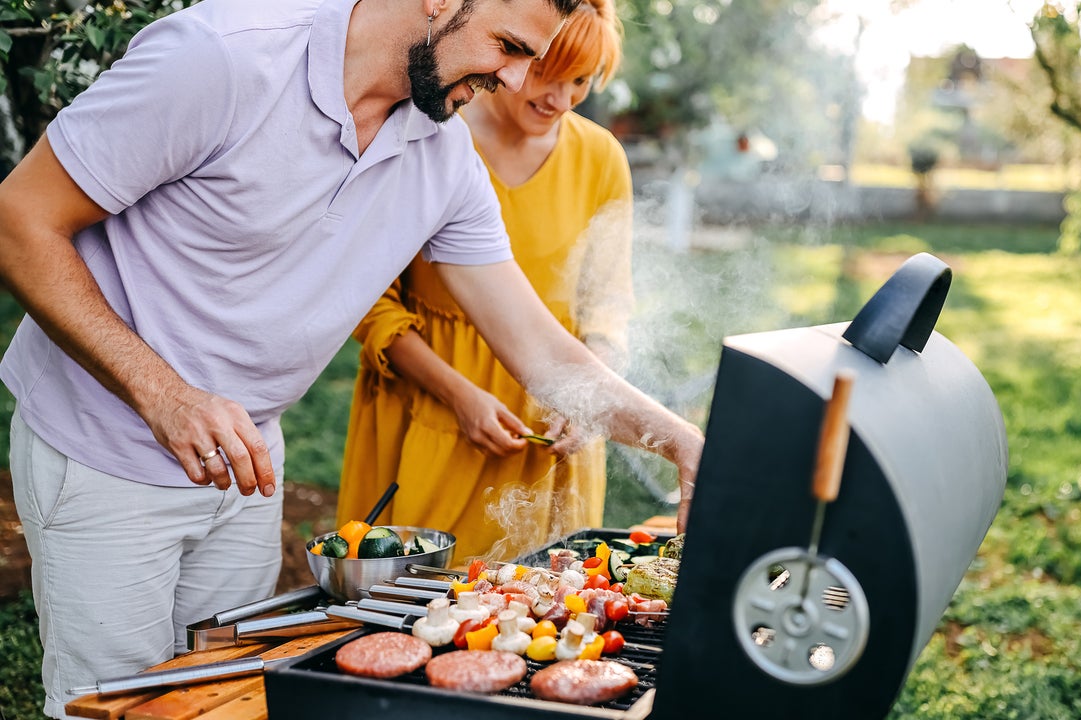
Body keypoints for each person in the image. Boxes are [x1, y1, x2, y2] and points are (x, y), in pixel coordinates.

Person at [0, 0, 702, 716]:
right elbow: (18, 219)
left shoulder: (444, 153)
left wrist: (682, 441)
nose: (519, 79)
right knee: (112, 705)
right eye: (509, 45)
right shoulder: (222, 56)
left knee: (219, 700)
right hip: (103, 451)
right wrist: (165, 394)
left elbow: (542, 352)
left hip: (244, 466)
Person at [335, 0, 635, 562]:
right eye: (546, 72)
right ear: (519, 54)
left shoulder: (601, 159)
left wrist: (586, 398)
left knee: (540, 612)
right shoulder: (434, 131)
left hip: (550, 413)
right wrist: (460, 395)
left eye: (581, 82)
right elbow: (371, 302)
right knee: (410, 603)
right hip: (431, 406)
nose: (559, 100)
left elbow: (608, 300)